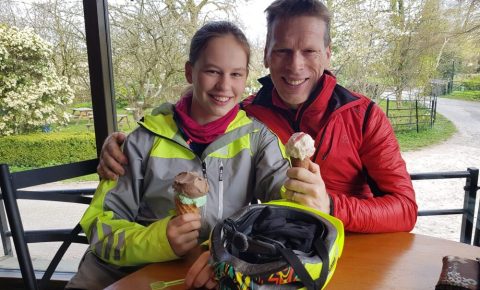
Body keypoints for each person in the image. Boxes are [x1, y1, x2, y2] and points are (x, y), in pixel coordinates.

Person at [99, 0, 418, 287]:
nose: (295, 65)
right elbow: (193, 112)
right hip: (270, 266)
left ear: (327, 54)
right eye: (282, 51)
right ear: (266, 55)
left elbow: (405, 209)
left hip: (351, 259)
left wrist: (332, 206)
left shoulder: (363, 116)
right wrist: (125, 142)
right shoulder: (246, 118)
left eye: (309, 51)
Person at [66, 21, 290, 290]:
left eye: (236, 74)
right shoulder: (141, 141)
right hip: (126, 276)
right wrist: (160, 240)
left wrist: (229, 252)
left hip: (214, 274)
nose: (224, 86)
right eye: (212, 71)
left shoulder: (259, 141)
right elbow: (100, 229)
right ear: (189, 72)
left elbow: (288, 215)